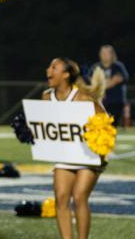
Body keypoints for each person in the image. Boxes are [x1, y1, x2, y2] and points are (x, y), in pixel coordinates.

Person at [43, 58, 106, 239]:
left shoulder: (83, 98)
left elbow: (106, 123)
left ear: (66, 74)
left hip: (88, 155)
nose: (49, 70)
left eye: (54, 67)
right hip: (65, 154)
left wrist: (100, 151)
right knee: (61, 197)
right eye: (49, 66)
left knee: (79, 196)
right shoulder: (47, 97)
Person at [90, 45, 129, 127]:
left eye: (107, 53)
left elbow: (116, 80)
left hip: (115, 102)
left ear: (112, 54)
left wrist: (100, 85)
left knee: (110, 126)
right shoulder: (95, 67)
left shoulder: (118, 67)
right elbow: (90, 82)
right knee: (98, 126)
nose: (105, 55)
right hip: (99, 102)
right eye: (103, 53)